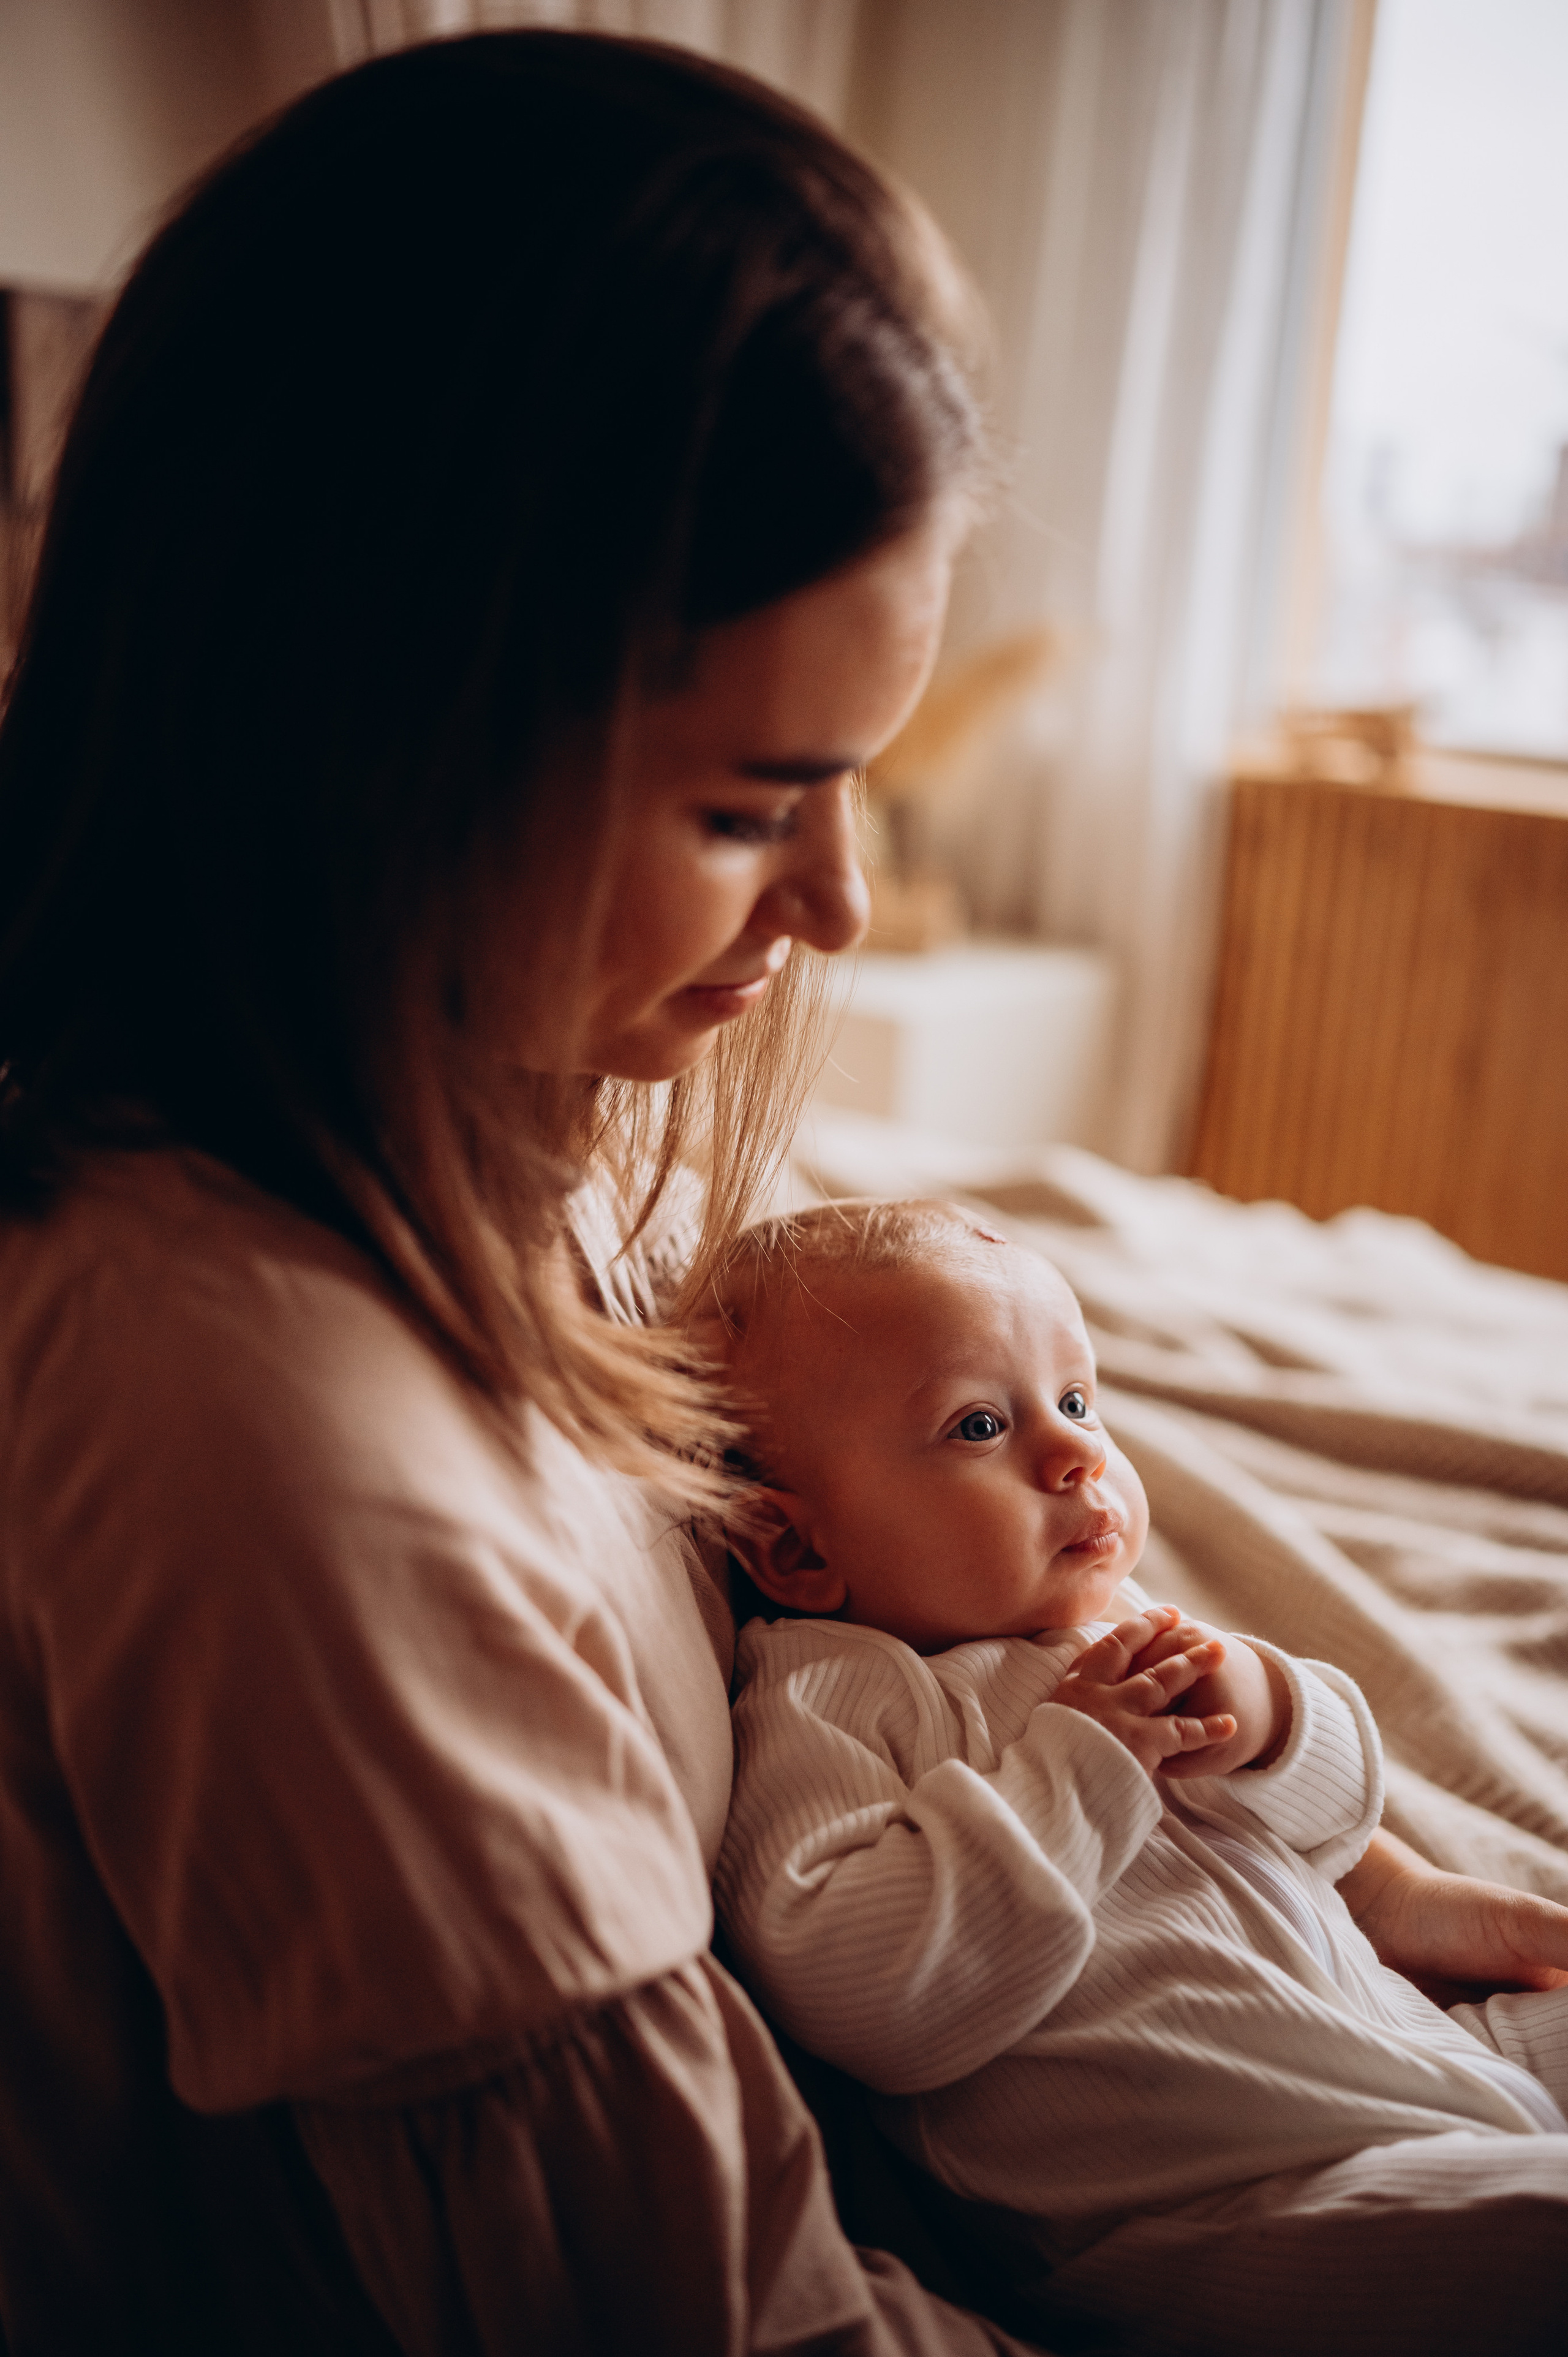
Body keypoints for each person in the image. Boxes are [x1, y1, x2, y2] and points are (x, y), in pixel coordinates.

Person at [0, 25, 1561, 2357]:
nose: (839, 899)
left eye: (858, 777)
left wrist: (1382, 1855)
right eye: (749, 802)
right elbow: (715, 2310)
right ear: (384, 729)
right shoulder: (276, 1437)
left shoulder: (497, 1094)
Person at [707, 1198, 1568, 2355]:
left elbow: (1332, 1826)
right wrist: (1082, 1765)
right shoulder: (826, 1701)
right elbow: (876, 1996)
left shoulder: (1113, 1626)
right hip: (1232, 2212)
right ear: (802, 1551)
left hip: (1423, 2060)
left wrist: (1269, 1713)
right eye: (977, 1426)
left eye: (1074, 1401)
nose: (1075, 1453)